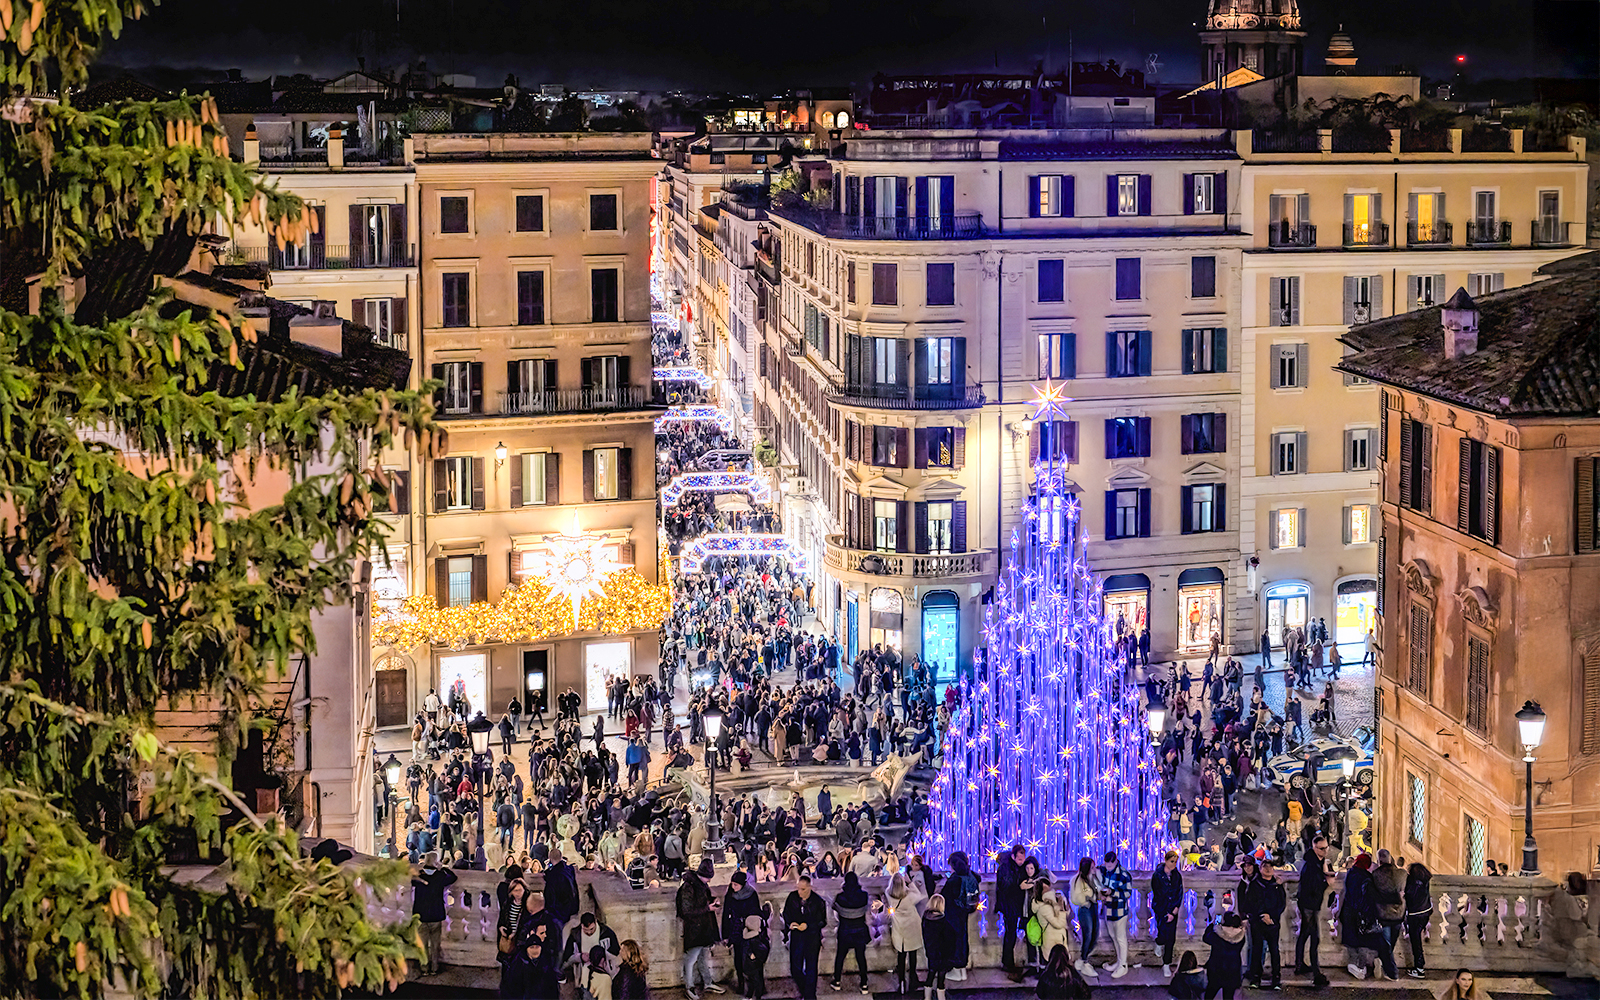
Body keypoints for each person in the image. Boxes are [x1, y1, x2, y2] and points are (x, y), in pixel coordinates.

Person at [676, 859, 721, 1000]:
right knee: (691, 959)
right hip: (694, 929)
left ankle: (707, 982)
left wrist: (713, 900)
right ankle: (689, 987)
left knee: (702, 956)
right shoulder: (689, 887)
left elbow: (703, 899)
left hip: (702, 928)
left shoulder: (700, 884)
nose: (709, 881)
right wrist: (708, 908)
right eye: (708, 877)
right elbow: (686, 910)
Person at [1293, 834, 1331, 988]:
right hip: (1309, 905)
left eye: (1326, 847)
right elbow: (1314, 888)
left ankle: (1299, 964)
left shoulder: (1314, 861)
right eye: (1322, 848)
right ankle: (1316, 973)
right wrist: (1327, 883)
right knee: (1314, 938)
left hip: (1308, 904)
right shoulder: (1311, 866)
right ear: (1315, 848)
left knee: (1304, 935)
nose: (1325, 851)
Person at [411, 852, 457, 977]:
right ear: (436, 862)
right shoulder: (440, 876)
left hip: (421, 914)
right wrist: (443, 868)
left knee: (423, 944)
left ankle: (424, 968)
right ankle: (434, 968)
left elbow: (411, 881)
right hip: (436, 914)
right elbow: (453, 877)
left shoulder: (419, 876)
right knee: (435, 944)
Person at [1242, 860, 1286, 989]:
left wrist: (1271, 916)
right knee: (1257, 949)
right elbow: (1250, 903)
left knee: (1274, 950)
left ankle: (1276, 978)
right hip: (1258, 921)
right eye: (1265, 867)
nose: (1268, 869)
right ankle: (1256, 977)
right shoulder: (1255, 885)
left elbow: (1281, 904)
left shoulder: (1277, 885)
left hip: (1272, 922)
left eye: (1270, 867)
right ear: (1260, 869)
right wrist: (1262, 915)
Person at [782, 874, 828, 1000]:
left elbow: (823, 921)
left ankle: (810, 996)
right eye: (798, 888)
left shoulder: (818, 901)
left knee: (811, 968)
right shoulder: (792, 897)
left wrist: (808, 925)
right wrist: (790, 923)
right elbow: (786, 913)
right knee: (795, 968)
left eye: (803, 889)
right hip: (797, 936)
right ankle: (806, 990)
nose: (799, 892)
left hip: (812, 937)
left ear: (810, 888)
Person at [722, 871, 764, 998]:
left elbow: (757, 913)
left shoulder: (752, 894)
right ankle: (741, 983)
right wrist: (725, 934)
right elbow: (725, 914)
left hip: (750, 931)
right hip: (736, 930)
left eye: (736, 885)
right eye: (732, 884)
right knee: (738, 958)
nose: (733, 887)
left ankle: (757, 986)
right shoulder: (730, 894)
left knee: (752, 958)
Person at [830, 870, 872, 994]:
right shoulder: (864, 895)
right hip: (860, 930)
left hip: (845, 930)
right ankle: (864, 983)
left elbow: (834, 910)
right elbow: (866, 910)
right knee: (861, 957)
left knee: (840, 956)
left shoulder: (840, 897)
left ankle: (837, 981)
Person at [942, 851, 979, 981]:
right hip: (964, 912)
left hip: (953, 914)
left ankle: (956, 971)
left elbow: (944, 896)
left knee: (954, 941)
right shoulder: (970, 875)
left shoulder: (954, 880)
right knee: (963, 939)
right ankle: (962, 970)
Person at [889, 871, 926, 996]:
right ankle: (912, 980)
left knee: (901, 956)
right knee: (912, 955)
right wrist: (910, 882)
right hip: (912, 927)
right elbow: (919, 895)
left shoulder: (889, 895)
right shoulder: (910, 896)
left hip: (899, 929)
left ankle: (901, 981)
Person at [1097, 851, 1132, 979]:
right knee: (1113, 936)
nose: (1108, 868)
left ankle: (1123, 965)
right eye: (1107, 866)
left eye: (1110, 866)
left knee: (1121, 937)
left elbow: (1127, 893)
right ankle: (1119, 961)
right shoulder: (1103, 869)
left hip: (1120, 910)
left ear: (1116, 862)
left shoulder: (1124, 874)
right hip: (1108, 909)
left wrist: (1113, 893)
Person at [996, 843, 1030, 977]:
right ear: (1013, 856)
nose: (1022, 862)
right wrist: (1020, 885)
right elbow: (1005, 886)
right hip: (1009, 906)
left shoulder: (1015, 867)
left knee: (1012, 934)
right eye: (1020, 859)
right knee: (1010, 934)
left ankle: (1009, 962)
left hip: (1016, 905)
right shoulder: (1005, 868)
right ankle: (1008, 963)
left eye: (1023, 859)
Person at [1151, 850, 1184, 977]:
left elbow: (1179, 893)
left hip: (1172, 909)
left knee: (1171, 938)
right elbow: (1158, 894)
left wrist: (1174, 909)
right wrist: (1166, 911)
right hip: (1161, 908)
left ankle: (1166, 963)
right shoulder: (1158, 875)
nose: (1174, 864)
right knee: (1163, 931)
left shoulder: (1177, 876)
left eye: (1175, 862)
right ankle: (1159, 942)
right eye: (1172, 861)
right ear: (1166, 861)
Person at [1068, 857, 1102, 979]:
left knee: (1095, 933)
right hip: (1085, 908)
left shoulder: (1093, 878)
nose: (1094, 869)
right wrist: (1089, 896)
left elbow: (1099, 888)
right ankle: (1083, 960)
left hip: (1093, 907)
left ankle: (1084, 958)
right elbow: (1075, 897)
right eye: (1092, 867)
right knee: (1088, 933)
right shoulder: (1077, 880)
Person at [1201, 911, 1247, 1000]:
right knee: (1228, 997)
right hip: (1233, 970)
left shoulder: (1217, 933)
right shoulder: (1241, 935)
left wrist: (1212, 925)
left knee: (1209, 994)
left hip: (1216, 969)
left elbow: (1206, 938)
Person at [921, 893, 956, 1000]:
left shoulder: (926, 919)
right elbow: (950, 938)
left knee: (931, 973)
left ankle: (927, 996)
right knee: (941, 977)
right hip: (942, 953)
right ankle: (941, 997)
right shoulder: (944, 922)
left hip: (931, 951)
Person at [1404, 861, 1434, 977]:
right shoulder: (1425, 880)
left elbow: (1409, 896)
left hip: (1415, 914)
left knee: (1416, 942)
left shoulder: (1412, 883)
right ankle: (1419, 966)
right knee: (1417, 940)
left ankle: (1419, 967)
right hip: (1425, 912)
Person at [743, 910, 772, 1000]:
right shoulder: (759, 937)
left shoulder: (754, 939)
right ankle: (752, 994)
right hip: (754, 963)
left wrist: (752, 955)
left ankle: (753, 995)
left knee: (754, 980)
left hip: (753, 963)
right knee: (754, 979)